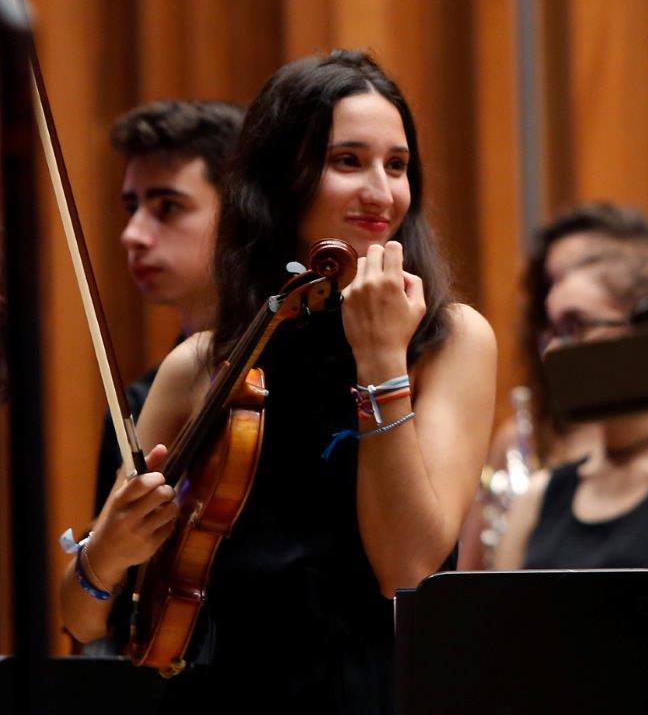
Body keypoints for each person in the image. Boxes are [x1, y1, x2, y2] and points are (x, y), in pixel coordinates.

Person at [60, 50, 497, 710]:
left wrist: (379, 359)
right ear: (278, 179)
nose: (381, 191)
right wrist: (106, 555)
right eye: (347, 161)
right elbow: (83, 619)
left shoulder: (450, 340)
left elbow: (406, 569)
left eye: (398, 165)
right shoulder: (202, 364)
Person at [494, 239, 648, 570]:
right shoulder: (540, 495)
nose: (552, 352)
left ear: (647, 332)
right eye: (551, 332)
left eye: (576, 326)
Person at [93, 100, 245, 514]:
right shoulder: (137, 406)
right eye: (132, 208)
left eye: (167, 207)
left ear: (240, 211)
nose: (133, 234)